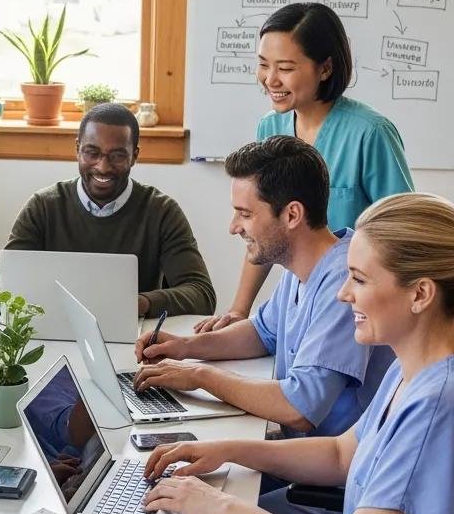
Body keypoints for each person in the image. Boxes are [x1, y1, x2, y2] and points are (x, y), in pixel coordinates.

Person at [143, 192, 454, 514]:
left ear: (420, 294)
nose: (343, 294)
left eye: (359, 279)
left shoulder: (437, 406)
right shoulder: (412, 367)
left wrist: (223, 506)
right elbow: (339, 455)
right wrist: (225, 450)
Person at [135, 136, 393, 439]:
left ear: (292, 215)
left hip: (328, 476)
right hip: (300, 454)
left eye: (245, 214)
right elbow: (261, 333)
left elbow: (301, 407)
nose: (233, 227)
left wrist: (200, 376)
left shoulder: (342, 284)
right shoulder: (300, 268)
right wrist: (184, 347)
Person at [196, 1, 413, 334]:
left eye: (285, 67)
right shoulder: (270, 129)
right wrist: (239, 309)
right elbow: (263, 228)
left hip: (359, 308)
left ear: (324, 68)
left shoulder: (369, 133)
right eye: (263, 65)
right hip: (301, 300)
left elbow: (405, 233)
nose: (270, 79)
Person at [0, 103, 216, 316]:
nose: (103, 167)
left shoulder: (161, 212)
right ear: (77, 149)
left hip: (135, 337)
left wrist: (140, 303)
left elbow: (202, 294)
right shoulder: (43, 207)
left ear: (134, 156)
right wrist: (52, 296)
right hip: (54, 328)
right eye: (92, 153)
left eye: (117, 156)